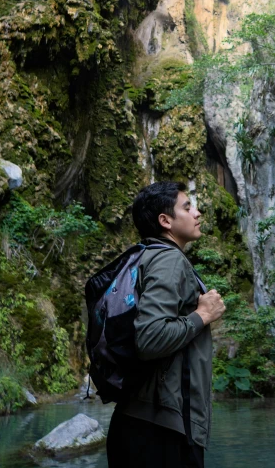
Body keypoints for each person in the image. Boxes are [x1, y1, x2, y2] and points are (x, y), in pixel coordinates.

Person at [106, 181, 225, 468]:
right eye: (187, 207)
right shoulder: (168, 260)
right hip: (162, 431)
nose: (197, 213)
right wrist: (203, 315)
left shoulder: (143, 256)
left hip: (141, 422)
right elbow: (150, 339)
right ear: (165, 221)